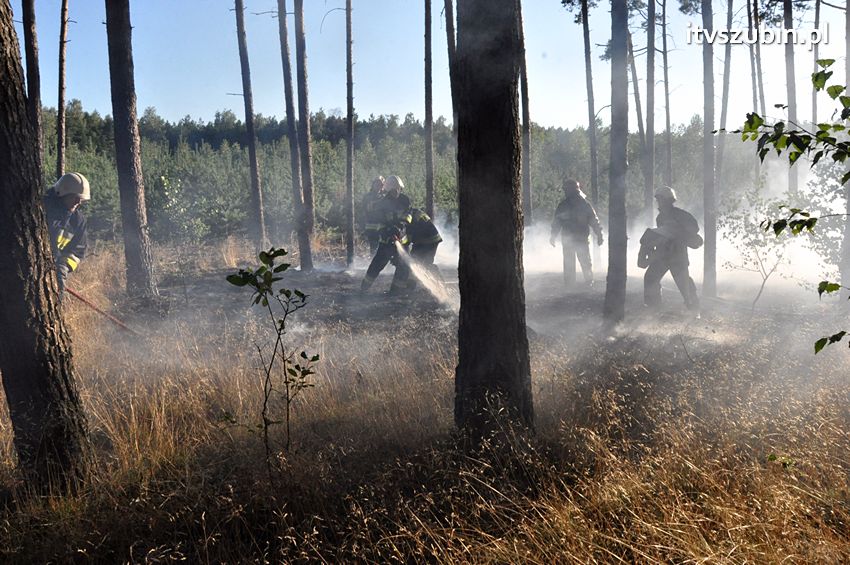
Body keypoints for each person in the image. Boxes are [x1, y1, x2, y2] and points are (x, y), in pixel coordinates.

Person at [639, 185, 701, 313]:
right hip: (662, 255)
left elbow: (694, 229)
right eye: (658, 200)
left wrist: (679, 233)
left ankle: (694, 310)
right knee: (651, 278)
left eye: (660, 199)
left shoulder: (681, 215)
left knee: (685, 284)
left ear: (668, 200)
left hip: (677, 255)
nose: (658, 202)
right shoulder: (660, 217)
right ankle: (653, 308)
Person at [360, 175, 412, 294]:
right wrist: (387, 230)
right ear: (388, 190)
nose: (396, 192)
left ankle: (396, 291)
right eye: (393, 190)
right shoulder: (382, 203)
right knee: (377, 265)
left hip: (402, 240)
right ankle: (364, 288)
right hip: (387, 241)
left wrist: (401, 226)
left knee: (404, 266)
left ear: (400, 188)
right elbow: (378, 221)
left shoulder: (405, 200)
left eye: (397, 189)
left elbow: (408, 216)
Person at [43, 172, 90, 297]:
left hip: (53, 273)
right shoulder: (42, 210)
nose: (78, 202)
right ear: (62, 193)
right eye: (75, 197)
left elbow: (77, 250)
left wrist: (63, 267)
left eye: (81, 199)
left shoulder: (78, 221)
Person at [549, 179, 603, 287]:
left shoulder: (582, 205)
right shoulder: (567, 205)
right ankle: (574, 284)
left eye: (567, 190)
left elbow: (594, 220)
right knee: (574, 262)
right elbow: (557, 222)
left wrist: (599, 234)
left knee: (584, 261)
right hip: (572, 239)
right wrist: (553, 236)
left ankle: (585, 282)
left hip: (580, 238)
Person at [361, 176, 385, 254]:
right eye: (376, 183)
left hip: (383, 227)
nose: (378, 186)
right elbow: (364, 211)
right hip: (371, 227)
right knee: (374, 247)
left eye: (380, 184)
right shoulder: (368, 197)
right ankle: (374, 260)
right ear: (373, 184)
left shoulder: (385, 197)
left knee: (383, 247)